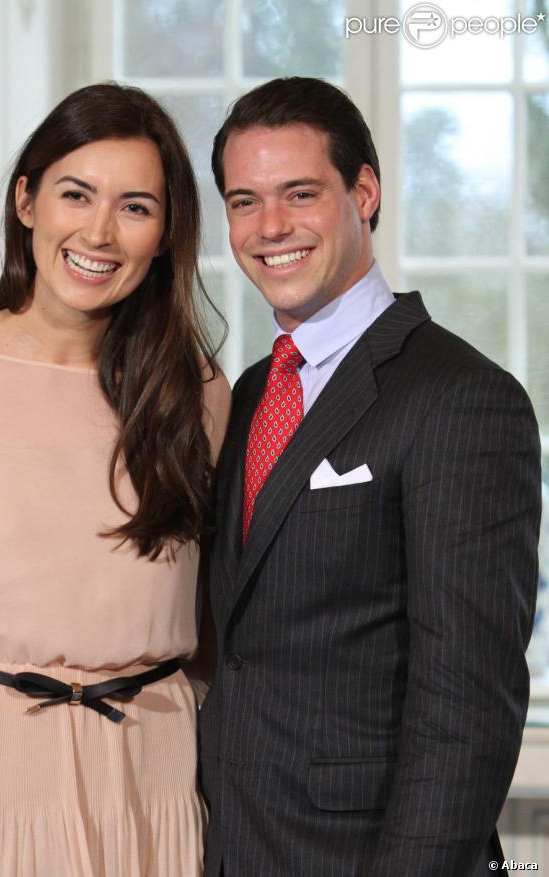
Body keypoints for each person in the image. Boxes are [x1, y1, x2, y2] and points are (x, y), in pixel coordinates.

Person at [199, 76, 541, 876]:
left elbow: (467, 709)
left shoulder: (461, 398)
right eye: (244, 201)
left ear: (364, 191)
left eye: (300, 193)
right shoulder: (250, 392)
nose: (270, 226)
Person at [0, 82, 230, 876]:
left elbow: (228, 606)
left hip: (153, 783)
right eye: (76, 194)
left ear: (166, 234)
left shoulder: (193, 391)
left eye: (136, 206)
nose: (99, 231)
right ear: (27, 202)